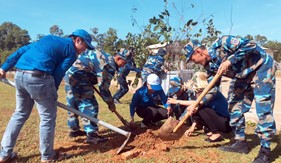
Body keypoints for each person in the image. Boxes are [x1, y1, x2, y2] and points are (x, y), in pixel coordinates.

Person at [0, 29, 94, 162]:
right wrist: (51, 93)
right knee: (47, 118)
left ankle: (4, 153)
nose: (85, 50)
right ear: (78, 40)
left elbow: (23, 50)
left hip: (19, 75)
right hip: (40, 78)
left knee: (19, 114)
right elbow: (59, 73)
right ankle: (48, 156)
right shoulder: (72, 52)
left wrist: (4, 67)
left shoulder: (48, 39)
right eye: (85, 46)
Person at [184, 36, 277, 163]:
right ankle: (240, 143)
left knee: (263, 108)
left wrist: (229, 61)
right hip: (242, 76)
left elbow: (251, 44)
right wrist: (199, 102)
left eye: (193, 59)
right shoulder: (210, 66)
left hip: (261, 68)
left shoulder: (222, 43)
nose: (194, 63)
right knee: (233, 106)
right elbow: (212, 90)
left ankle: (265, 151)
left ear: (199, 52)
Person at [64, 48, 127, 143]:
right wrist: (111, 103)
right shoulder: (109, 65)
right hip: (79, 76)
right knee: (89, 105)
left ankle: (74, 129)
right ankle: (92, 135)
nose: (124, 65)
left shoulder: (106, 57)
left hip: (70, 74)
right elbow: (103, 88)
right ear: (118, 58)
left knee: (73, 103)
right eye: (124, 62)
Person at [168, 71, 232, 142]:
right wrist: (192, 127)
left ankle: (216, 134)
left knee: (200, 108)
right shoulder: (200, 92)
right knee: (194, 110)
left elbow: (197, 103)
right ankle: (211, 129)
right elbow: (195, 107)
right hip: (216, 119)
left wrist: (177, 101)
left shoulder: (213, 90)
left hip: (225, 122)